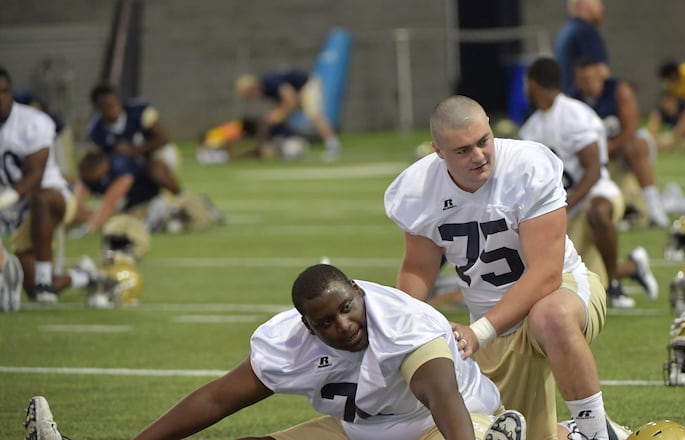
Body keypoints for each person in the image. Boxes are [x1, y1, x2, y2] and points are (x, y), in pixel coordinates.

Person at [25, 263, 527, 440]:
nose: (344, 325)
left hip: (443, 423)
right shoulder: (289, 342)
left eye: (347, 308)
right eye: (325, 322)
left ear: (357, 290)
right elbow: (216, 400)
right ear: (307, 328)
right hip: (363, 429)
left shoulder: (404, 323)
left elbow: (442, 397)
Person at [384, 94, 625, 439]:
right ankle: (570, 434)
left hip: (560, 293)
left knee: (550, 316)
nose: (479, 156)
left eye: (483, 141)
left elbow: (546, 273)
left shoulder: (526, 166)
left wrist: (480, 331)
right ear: (438, 152)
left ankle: (595, 431)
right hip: (490, 322)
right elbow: (419, 268)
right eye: (463, 150)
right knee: (518, 433)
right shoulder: (418, 189)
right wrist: (404, 326)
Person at [519, 58, 658, 308]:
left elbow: (593, 171)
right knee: (564, 281)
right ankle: (630, 267)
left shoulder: (573, 114)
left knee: (598, 211)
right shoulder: (531, 128)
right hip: (566, 208)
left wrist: (563, 205)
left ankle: (614, 284)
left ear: (533, 84)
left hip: (595, 193)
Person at [0, 67, 97, 307]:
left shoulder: (33, 121)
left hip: (54, 198)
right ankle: (83, 276)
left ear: (11, 91)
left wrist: (5, 199)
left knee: (41, 197)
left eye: (3, 91)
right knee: (33, 292)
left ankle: (44, 277)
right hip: (14, 209)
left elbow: (36, 174)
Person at [572, 57, 670, 227]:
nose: (590, 85)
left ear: (601, 77)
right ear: (577, 82)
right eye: (585, 81)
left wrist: (609, 148)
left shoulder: (619, 90)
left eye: (593, 79)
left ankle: (656, 210)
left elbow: (631, 127)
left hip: (621, 146)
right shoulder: (573, 100)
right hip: (598, 153)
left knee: (635, 146)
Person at [72, 151, 222, 239]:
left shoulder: (120, 170)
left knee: (194, 223)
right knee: (114, 223)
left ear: (101, 168)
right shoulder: (89, 176)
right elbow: (76, 204)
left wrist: (90, 227)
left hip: (151, 203)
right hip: (130, 208)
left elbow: (110, 201)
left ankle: (200, 207)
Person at [85, 82, 182, 195]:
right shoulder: (95, 131)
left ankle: (182, 197)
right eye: (106, 106)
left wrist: (132, 150)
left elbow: (163, 138)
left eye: (113, 103)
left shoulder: (138, 110)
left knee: (156, 171)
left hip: (157, 152)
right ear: (98, 108)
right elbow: (98, 160)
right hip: (128, 163)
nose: (112, 109)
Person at [235, 69, 342, 161]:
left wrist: (278, 114)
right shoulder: (265, 92)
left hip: (307, 86)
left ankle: (333, 146)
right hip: (297, 93)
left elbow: (290, 98)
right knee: (277, 118)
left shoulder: (270, 83)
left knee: (314, 115)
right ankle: (285, 145)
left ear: (252, 88)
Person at [554, 0, 610, 95]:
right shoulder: (585, 31)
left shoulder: (564, 32)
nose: (602, 9)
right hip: (585, 102)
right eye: (598, 5)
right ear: (583, 8)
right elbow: (601, 72)